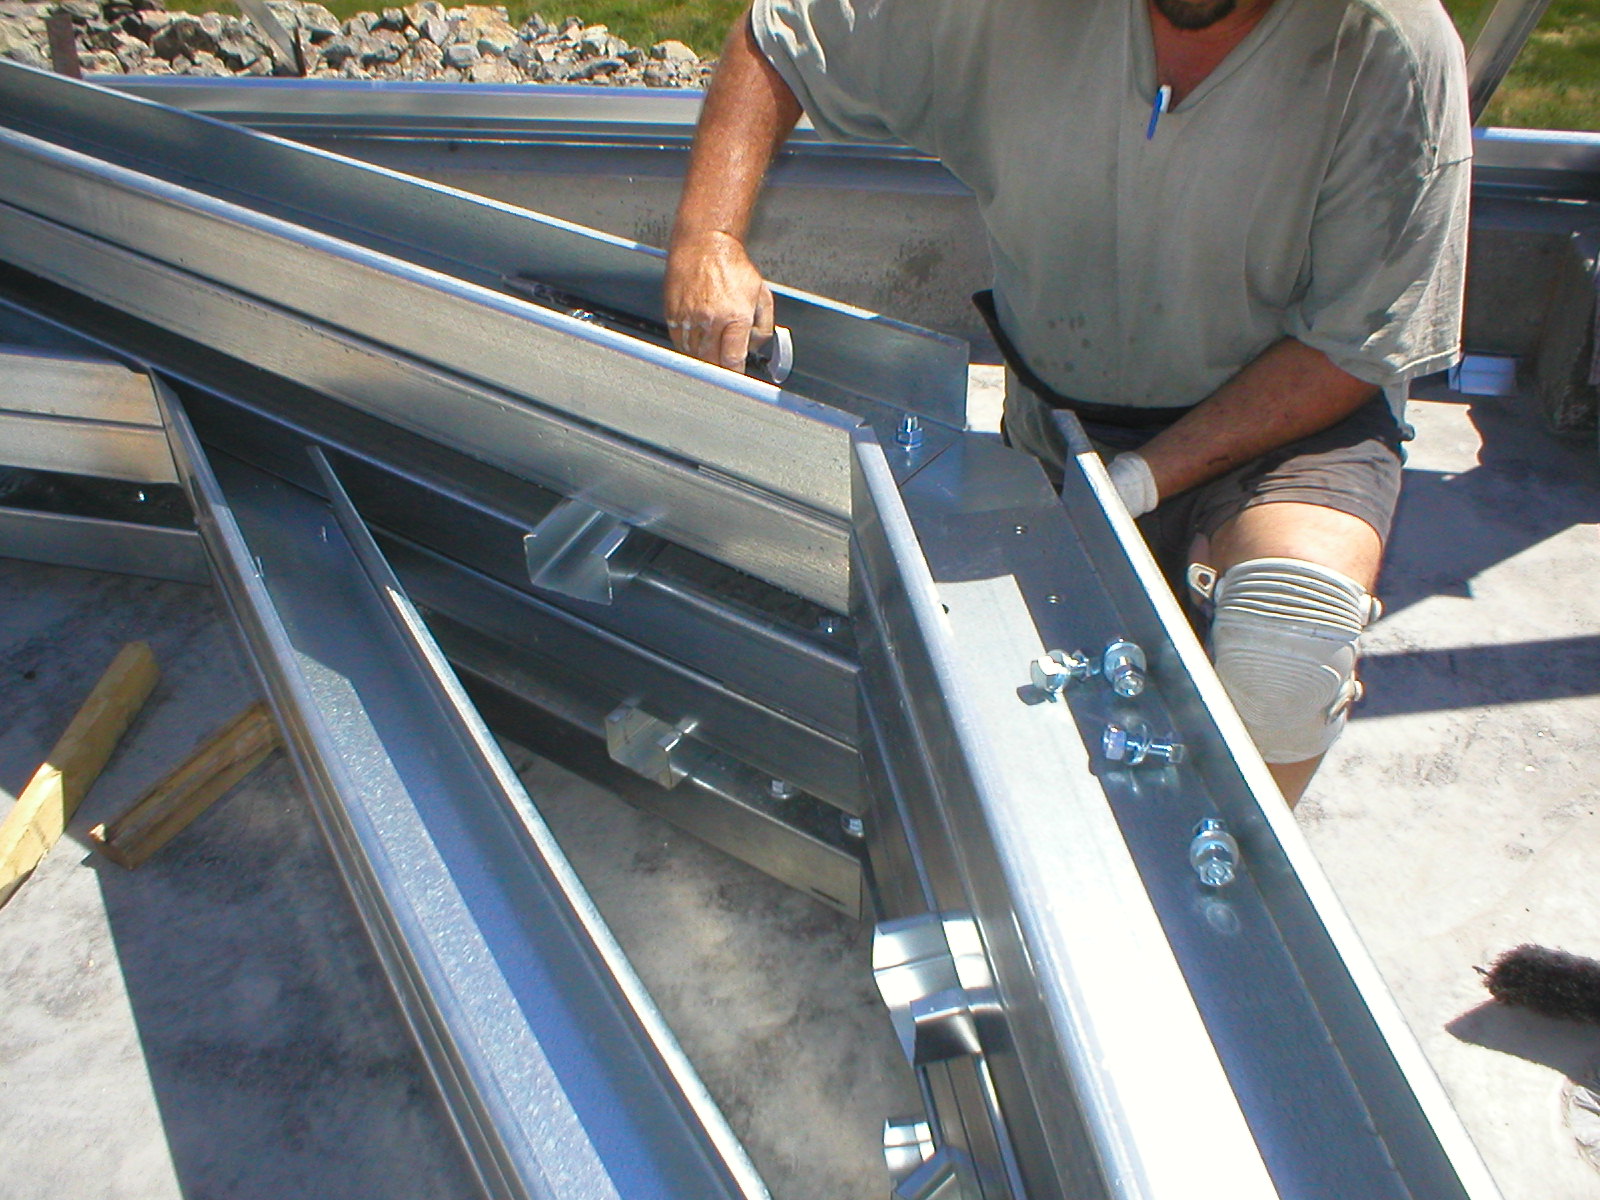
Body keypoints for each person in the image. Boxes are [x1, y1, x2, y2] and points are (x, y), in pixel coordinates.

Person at [663, 0, 1471, 804]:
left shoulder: (1388, 47)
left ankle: (1230, 855)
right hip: (1067, 422)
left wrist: (1139, 481)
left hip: (1290, 422)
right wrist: (709, 239)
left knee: (1287, 650)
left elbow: (1351, 350)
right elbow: (780, 37)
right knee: (1013, 721)